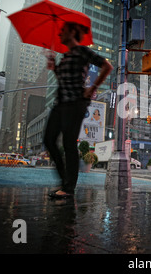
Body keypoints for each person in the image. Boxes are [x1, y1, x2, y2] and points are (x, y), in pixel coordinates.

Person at [44, 22, 113, 199]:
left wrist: (93, 87)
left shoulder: (83, 52)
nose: (59, 34)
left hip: (75, 104)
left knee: (68, 143)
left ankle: (68, 187)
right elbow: (63, 81)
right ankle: (64, 180)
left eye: (63, 31)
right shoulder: (65, 56)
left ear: (73, 32)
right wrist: (54, 69)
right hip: (60, 104)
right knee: (49, 140)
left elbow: (107, 66)